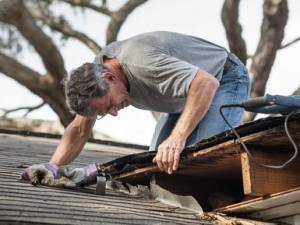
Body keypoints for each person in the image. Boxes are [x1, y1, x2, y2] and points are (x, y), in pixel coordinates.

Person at [21, 31, 250, 187]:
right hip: (183, 96)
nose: (114, 112)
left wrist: (177, 137)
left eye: (110, 105)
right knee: (158, 168)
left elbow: (205, 83)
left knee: (204, 161)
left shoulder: (142, 63)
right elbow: (80, 129)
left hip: (224, 78)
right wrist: (53, 166)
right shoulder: (93, 78)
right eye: (105, 112)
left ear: (110, 77)